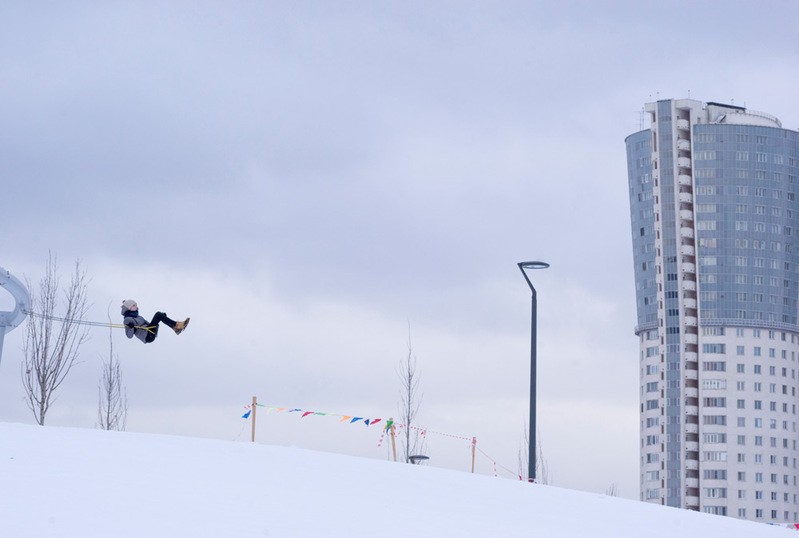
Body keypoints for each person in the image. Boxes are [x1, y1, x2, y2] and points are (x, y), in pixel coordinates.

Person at [121, 299, 189, 344]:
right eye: (134, 306)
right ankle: (177, 326)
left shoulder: (137, 316)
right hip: (147, 336)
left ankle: (176, 328)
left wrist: (162, 319)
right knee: (158, 314)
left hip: (149, 331)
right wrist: (131, 327)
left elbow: (147, 324)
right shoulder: (127, 320)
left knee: (161, 315)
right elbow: (129, 336)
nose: (137, 307)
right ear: (128, 308)